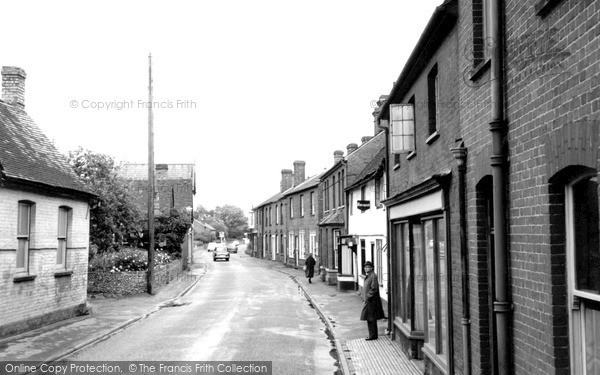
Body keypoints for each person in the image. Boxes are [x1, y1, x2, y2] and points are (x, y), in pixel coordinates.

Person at [360, 261, 385, 340]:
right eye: (365, 267)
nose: (366, 268)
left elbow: (374, 288)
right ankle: (372, 335)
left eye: (368, 267)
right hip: (368, 300)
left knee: (371, 318)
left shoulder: (373, 276)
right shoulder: (368, 276)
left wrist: (367, 297)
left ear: (371, 268)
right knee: (369, 318)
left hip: (372, 301)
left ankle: (373, 335)